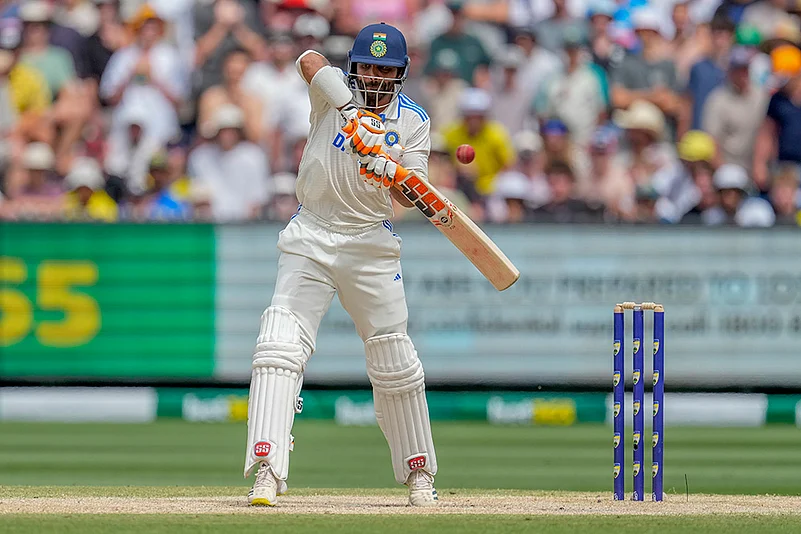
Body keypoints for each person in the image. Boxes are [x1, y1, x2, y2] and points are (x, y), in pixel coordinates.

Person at [244, 22, 439, 508]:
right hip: (311, 233)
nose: (375, 77)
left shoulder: (414, 121)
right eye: (367, 68)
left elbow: (411, 196)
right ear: (354, 68)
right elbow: (308, 60)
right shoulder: (331, 97)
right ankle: (267, 469)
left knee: (394, 359)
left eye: (385, 71)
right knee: (278, 345)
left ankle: (419, 474)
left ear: (400, 74)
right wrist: (352, 114)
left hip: (370, 242)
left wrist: (390, 170)